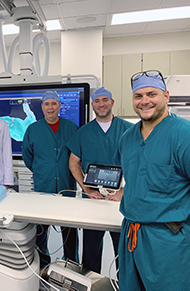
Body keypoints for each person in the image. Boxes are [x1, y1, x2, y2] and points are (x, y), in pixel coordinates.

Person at [115, 70, 190, 290]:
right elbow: (136, 177)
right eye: (138, 96)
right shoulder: (127, 138)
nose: (144, 101)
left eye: (151, 94)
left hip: (168, 241)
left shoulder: (182, 134)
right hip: (131, 236)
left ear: (166, 96)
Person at [66, 87, 132, 273]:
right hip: (93, 201)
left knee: (123, 251)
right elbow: (73, 163)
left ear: (112, 102)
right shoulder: (84, 132)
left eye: (105, 100)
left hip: (120, 201)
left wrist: (123, 192)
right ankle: (91, 283)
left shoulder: (129, 130)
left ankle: (123, 285)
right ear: (92, 105)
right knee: (91, 251)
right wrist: (86, 190)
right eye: (97, 101)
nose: (101, 104)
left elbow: (141, 163)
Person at [22, 90, 79, 268]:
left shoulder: (71, 127)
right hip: (43, 187)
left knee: (69, 232)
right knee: (40, 232)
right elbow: (27, 156)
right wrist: (42, 170)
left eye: (54, 103)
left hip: (66, 185)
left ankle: (71, 264)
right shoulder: (33, 129)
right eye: (47, 104)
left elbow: (77, 155)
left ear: (59, 106)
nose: (50, 107)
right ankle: (42, 264)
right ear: (42, 107)